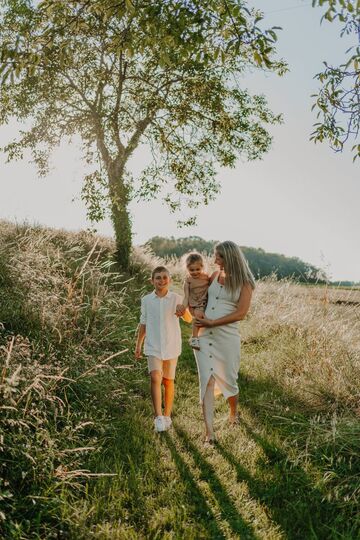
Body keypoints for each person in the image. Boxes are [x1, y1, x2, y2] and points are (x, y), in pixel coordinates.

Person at [193, 241, 255, 444]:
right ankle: (209, 432)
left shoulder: (245, 282)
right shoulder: (213, 276)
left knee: (229, 379)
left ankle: (233, 413)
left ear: (229, 257)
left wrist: (213, 322)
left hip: (226, 337)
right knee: (207, 381)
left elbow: (241, 313)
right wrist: (195, 312)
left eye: (218, 256)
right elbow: (199, 298)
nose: (214, 260)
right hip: (204, 336)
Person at [135, 266, 191, 432]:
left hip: (171, 344)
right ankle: (158, 416)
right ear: (152, 281)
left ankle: (167, 416)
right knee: (155, 377)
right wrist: (138, 344)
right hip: (153, 345)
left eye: (165, 277)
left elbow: (189, 319)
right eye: (158, 278)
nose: (161, 280)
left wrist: (184, 311)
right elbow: (143, 323)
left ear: (170, 280)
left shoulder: (176, 298)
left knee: (168, 381)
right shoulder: (146, 300)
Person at [176, 252, 210, 351]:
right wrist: (183, 308)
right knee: (199, 315)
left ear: (202, 267)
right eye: (191, 270)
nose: (195, 272)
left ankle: (206, 337)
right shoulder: (188, 281)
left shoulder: (207, 277)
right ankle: (194, 337)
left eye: (197, 269)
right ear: (187, 269)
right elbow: (186, 297)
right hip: (195, 304)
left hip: (206, 302)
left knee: (207, 318)